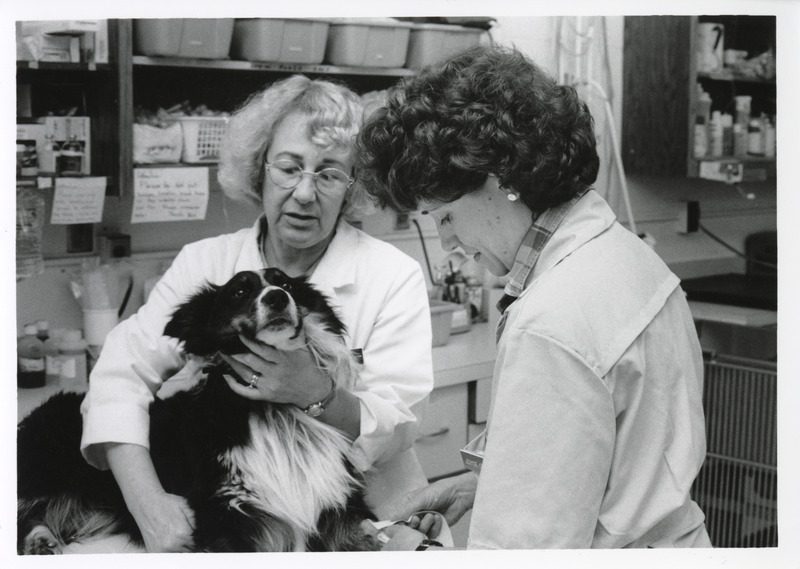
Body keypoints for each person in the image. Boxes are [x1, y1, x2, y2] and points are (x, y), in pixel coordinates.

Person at [356, 45, 712, 549]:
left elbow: (525, 550)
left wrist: (407, 551)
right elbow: (625, 459)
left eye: (445, 216)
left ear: (496, 178)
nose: (447, 243)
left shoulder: (548, 322)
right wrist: (482, 484)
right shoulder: (628, 256)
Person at [80, 75, 434, 552]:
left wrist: (316, 391)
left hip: (361, 515)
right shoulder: (205, 263)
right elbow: (119, 377)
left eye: (329, 174)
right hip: (245, 514)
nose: (304, 193)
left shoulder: (391, 274)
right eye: (289, 168)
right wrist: (149, 504)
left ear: (354, 187)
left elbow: (400, 422)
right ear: (259, 168)